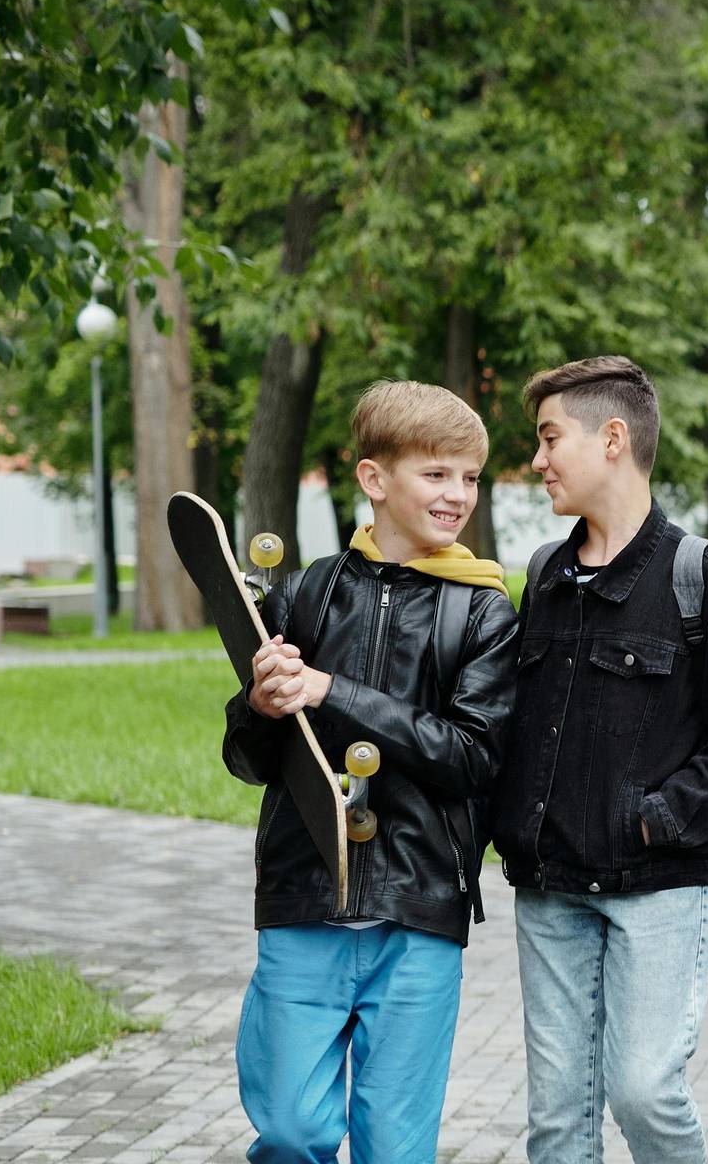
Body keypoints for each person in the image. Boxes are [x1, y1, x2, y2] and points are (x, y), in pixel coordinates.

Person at [494, 356, 708, 1163]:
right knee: (557, 1121)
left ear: (612, 438)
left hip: (657, 887)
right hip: (550, 891)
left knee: (644, 1091)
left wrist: (654, 821)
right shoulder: (546, 575)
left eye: (551, 439)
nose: (539, 460)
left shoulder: (697, 573)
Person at [225, 380, 519, 1161]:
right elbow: (248, 759)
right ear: (374, 480)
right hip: (305, 896)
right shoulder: (309, 592)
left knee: (394, 1146)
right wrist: (260, 703)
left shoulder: (484, 611)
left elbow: (473, 755)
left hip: (418, 910)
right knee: (291, 1128)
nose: (457, 495)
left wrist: (331, 692)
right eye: (437, 474)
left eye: (470, 477)